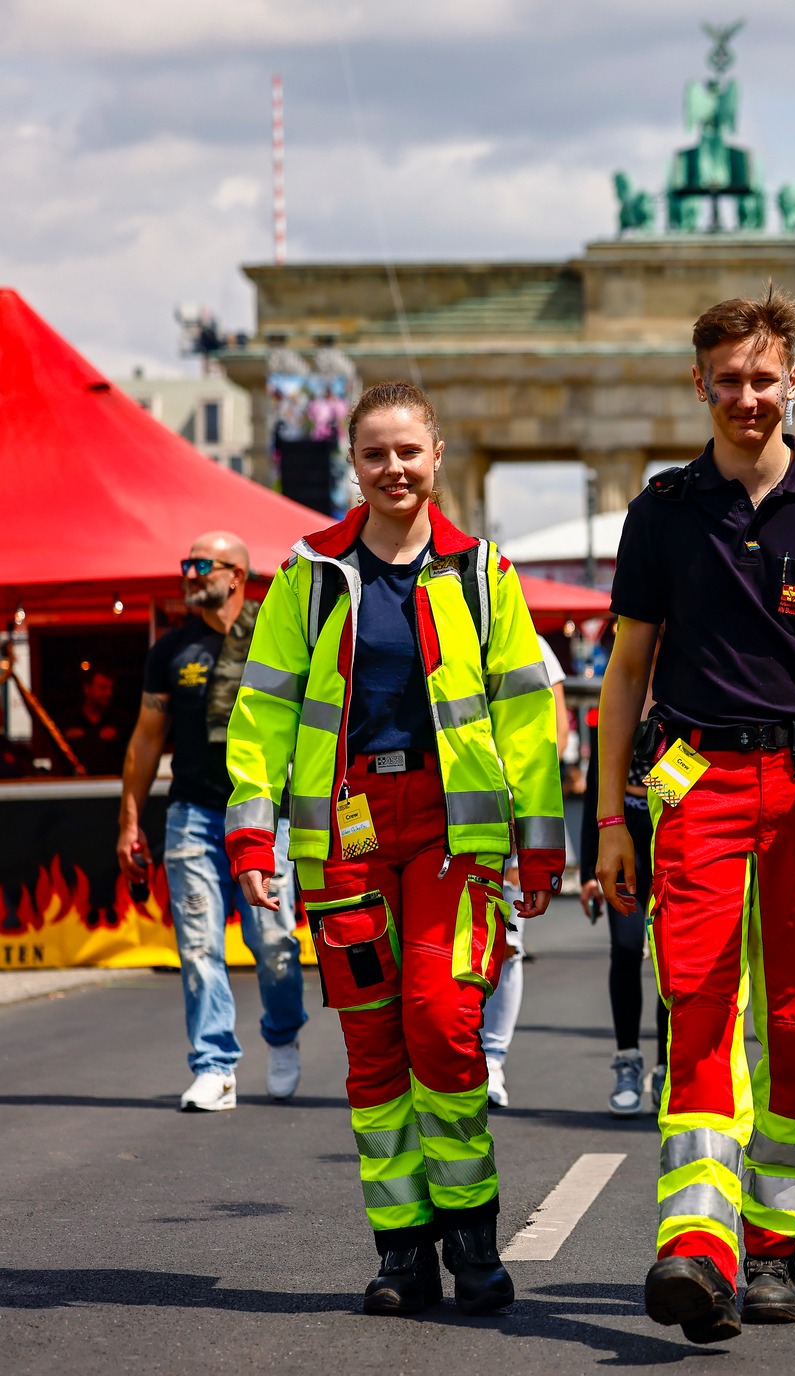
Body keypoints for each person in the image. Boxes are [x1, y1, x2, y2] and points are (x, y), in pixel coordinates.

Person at [594, 287, 795, 1343]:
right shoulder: (662, 509)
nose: (746, 396)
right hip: (697, 782)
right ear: (699, 384)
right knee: (696, 1001)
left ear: (792, 381)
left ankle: (774, 1242)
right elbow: (624, 670)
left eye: (763, 378)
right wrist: (608, 818)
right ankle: (698, 1246)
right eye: (726, 379)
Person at [225, 381, 565, 1319]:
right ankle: (402, 1252)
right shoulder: (308, 574)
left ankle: (472, 1237)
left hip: (456, 831)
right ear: (353, 464)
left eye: (408, 451)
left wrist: (539, 843)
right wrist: (254, 836)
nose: (394, 469)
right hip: (345, 833)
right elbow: (262, 711)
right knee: (373, 1049)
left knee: (442, 1021)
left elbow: (528, 719)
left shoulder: (481, 571)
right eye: (375, 454)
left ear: (438, 454)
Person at [117, 533, 307, 1111]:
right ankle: (215, 1066)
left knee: (273, 942)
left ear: (237, 575)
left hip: (265, 815)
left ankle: (281, 1035)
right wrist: (129, 821)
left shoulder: (276, 637)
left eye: (202, 565)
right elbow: (148, 738)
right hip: (192, 814)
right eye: (186, 564)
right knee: (199, 946)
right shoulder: (171, 649)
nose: (190, 574)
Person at [480, 635, 571, 1108]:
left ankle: (492, 1058)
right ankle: (454, 1060)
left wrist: (531, 791)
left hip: (510, 810)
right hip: (441, 812)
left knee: (508, 941)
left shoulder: (528, 638)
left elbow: (558, 717)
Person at [577, 693, 667, 1118]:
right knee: (628, 949)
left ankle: (667, 1065)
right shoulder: (617, 694)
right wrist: (585, 872)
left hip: (669, 828)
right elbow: (596, 785)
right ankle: (627, 1062)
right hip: (622, 832)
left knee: (671, 955)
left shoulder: (682, 683)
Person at [62, 666, 132, 775]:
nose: (108, 693)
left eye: (110, 689)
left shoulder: (121, 721)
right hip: (74, 786)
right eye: (103, 688)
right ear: (87, 689)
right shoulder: (68, 721)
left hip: (112, 786)